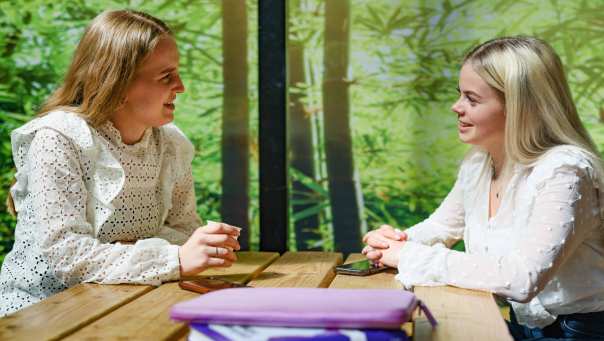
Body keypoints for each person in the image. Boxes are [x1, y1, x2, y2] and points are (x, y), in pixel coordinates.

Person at [0, 9, 241, 317]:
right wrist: (174, 259)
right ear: (118, 81)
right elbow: (66, 255)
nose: (180, 86)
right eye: (166, 76)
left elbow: (182, 230)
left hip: (126, 303)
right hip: (43, 313)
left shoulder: (171, 144)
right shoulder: (58, 138)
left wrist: (195, 246)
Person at [362, 36, 604, 340]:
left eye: (471, 99)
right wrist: (394, 242)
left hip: (581, 332)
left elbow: (521, 278)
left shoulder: (565, 171)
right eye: (459, 95)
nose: (456, 107)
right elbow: (442, 226)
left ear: (519, 107)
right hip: (527, 328)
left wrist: (408, 256)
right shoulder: (479, 162)